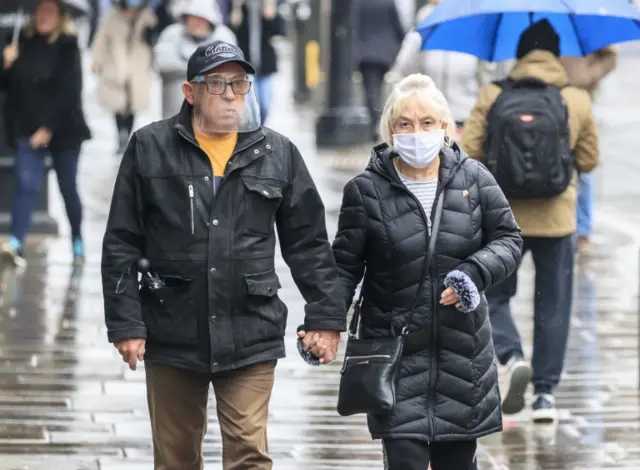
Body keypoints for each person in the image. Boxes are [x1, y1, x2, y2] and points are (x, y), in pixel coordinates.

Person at [101, 40, 345, 470]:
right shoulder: (149, 147)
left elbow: (308, 242)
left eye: (239, 83)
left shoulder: (277, 152)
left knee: (250, 454)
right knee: (175, 458)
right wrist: (125, 323)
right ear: (190, 92)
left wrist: (325, 318)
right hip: (172, 328)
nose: (230, 94)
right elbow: (122, 240)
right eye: (217, 84)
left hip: (250, 329)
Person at [325, 73, 522, 470]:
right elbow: (344, 267)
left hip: (462, 362)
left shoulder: (475, 180)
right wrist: (323, 324)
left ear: (446, 128)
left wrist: (473, 273)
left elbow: (508, 239)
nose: (417, 132)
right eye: (405, 124)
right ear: (391, 131)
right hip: (395, 359)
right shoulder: (365, 190)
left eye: (427, 123)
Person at [461, 19, 599, 423]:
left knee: (494, 295)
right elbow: (589, 160)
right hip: (558, 220)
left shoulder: (493, 93)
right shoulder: (575, 98)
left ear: (519, 54)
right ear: (556, 55)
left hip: (503, 218)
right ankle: (544, 396)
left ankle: (511, 354)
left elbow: (469, 151)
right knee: (554, 304)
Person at [0, 0, 91, 268]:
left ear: (60, 16)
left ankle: (77, 238)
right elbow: (8, 89)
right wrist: (6, 63)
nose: (44, 17)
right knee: (25, 185)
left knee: (68, 187)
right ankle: (16, 243)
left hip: (64, 129)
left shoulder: (68, 45)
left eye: (50, 12)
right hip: (27, 129)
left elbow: (70, 92)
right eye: (40, 11)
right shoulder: (21, 42)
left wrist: (48, 128)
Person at [560, 47, 618, 256]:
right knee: (545, 164)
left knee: (584, 166)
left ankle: (582, 230)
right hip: (547, 98)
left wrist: (585, 76)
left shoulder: (584, 20)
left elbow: (611, 57)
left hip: (581, 100)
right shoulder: (539, 17)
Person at [91, 0, 157, 154]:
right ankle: (121, 134)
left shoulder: (147, 17)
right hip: (115, 64)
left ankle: (127, 134)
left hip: (138, 64)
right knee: (118, 104)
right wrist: (97, 60)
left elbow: (153, 41)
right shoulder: (112, 17)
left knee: (132, 104)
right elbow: (101, 39)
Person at [155, 0, 237, 119]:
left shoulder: (223, 36)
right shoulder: (172, 33)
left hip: (213, 105)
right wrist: (200, 71)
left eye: (202, 18)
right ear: (186, 17)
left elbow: (231, 67)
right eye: (194, 17)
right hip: (175, 104)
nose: (197, 23)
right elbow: (162, 63)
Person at [354, 0, 406, 141]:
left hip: (365, 53)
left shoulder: (359, 4)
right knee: (377, 87)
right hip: (384, 53)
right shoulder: (388, 3)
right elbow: (398, 27)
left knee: (370, 89)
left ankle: (375, 120)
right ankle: (378, 119)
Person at [230, 0, 285, 125]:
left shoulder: (268, 8)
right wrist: (236, 9)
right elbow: (232, 33)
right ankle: (254, 132)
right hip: (245, 67)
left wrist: (270, 14)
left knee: (265, 104)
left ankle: (260, 128)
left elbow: (280, 31)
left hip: (265, 67)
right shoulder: (241, 8)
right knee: (250, 105)